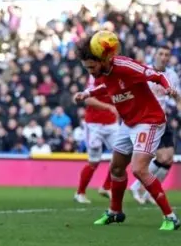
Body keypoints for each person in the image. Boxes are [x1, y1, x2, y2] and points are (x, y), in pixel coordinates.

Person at [73, 35, 180, 231]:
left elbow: (155, 74)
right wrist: (87, 93)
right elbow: (108, 86)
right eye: (87, 68)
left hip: (149, 120)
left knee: (139, 169)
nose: (90, 71)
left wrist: (168, 88)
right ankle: (115, 213)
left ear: (103, 60)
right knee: (116, 168)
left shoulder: (125, 66)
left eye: (91, 67)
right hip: (128, 122)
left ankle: (170, 217)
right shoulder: (104, 72)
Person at [130, 45, 179, 204]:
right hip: (148, 120)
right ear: (155, 55)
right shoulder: (145, 72)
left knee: (169, 159)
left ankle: (149, 194)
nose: (164, 57)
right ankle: (137, 186)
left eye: (167, 54)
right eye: (161, 53)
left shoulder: (172, 75)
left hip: (164, 118)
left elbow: (177, 97)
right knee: (160, 157)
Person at [73, 75, 119, 203]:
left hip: (112, 124)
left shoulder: (117, 74)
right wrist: (109, 107)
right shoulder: (95, 76)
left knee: (121, 155)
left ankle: (106, 186)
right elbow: (88, 100)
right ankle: (80, 193)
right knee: (94, 161)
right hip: (94, 125)